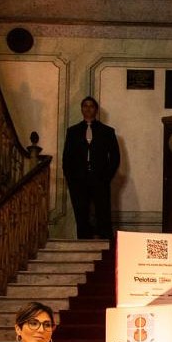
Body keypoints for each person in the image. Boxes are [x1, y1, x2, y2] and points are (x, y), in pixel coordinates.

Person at [62, 95, 120, 240]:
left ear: (96, 110)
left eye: (91, 106)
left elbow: (115, 157)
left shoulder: (107, 131)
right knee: (81, 209)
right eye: (85, 106)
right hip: (79, 179)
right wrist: (71, 178)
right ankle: (83, 237)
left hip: (100, 178)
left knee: (102, 209)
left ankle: (105, 239)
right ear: (82, 109)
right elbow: (67, 157)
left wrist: (106, 177)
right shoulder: (73, 131)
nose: (88, 109)